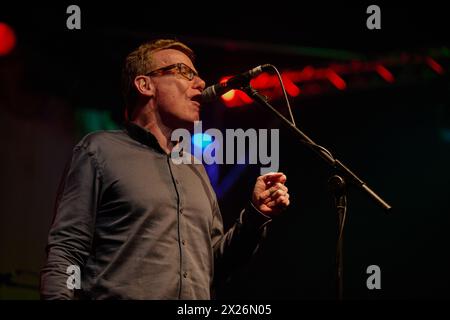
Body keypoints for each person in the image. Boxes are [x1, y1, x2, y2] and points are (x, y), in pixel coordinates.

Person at [40, 39, 290, 299]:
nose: (201, 83)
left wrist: (255, 215)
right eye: (184, 72)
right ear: (145, 85)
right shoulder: (99, 150)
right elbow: (67, 249)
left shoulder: (195, 168)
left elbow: (214, 266)